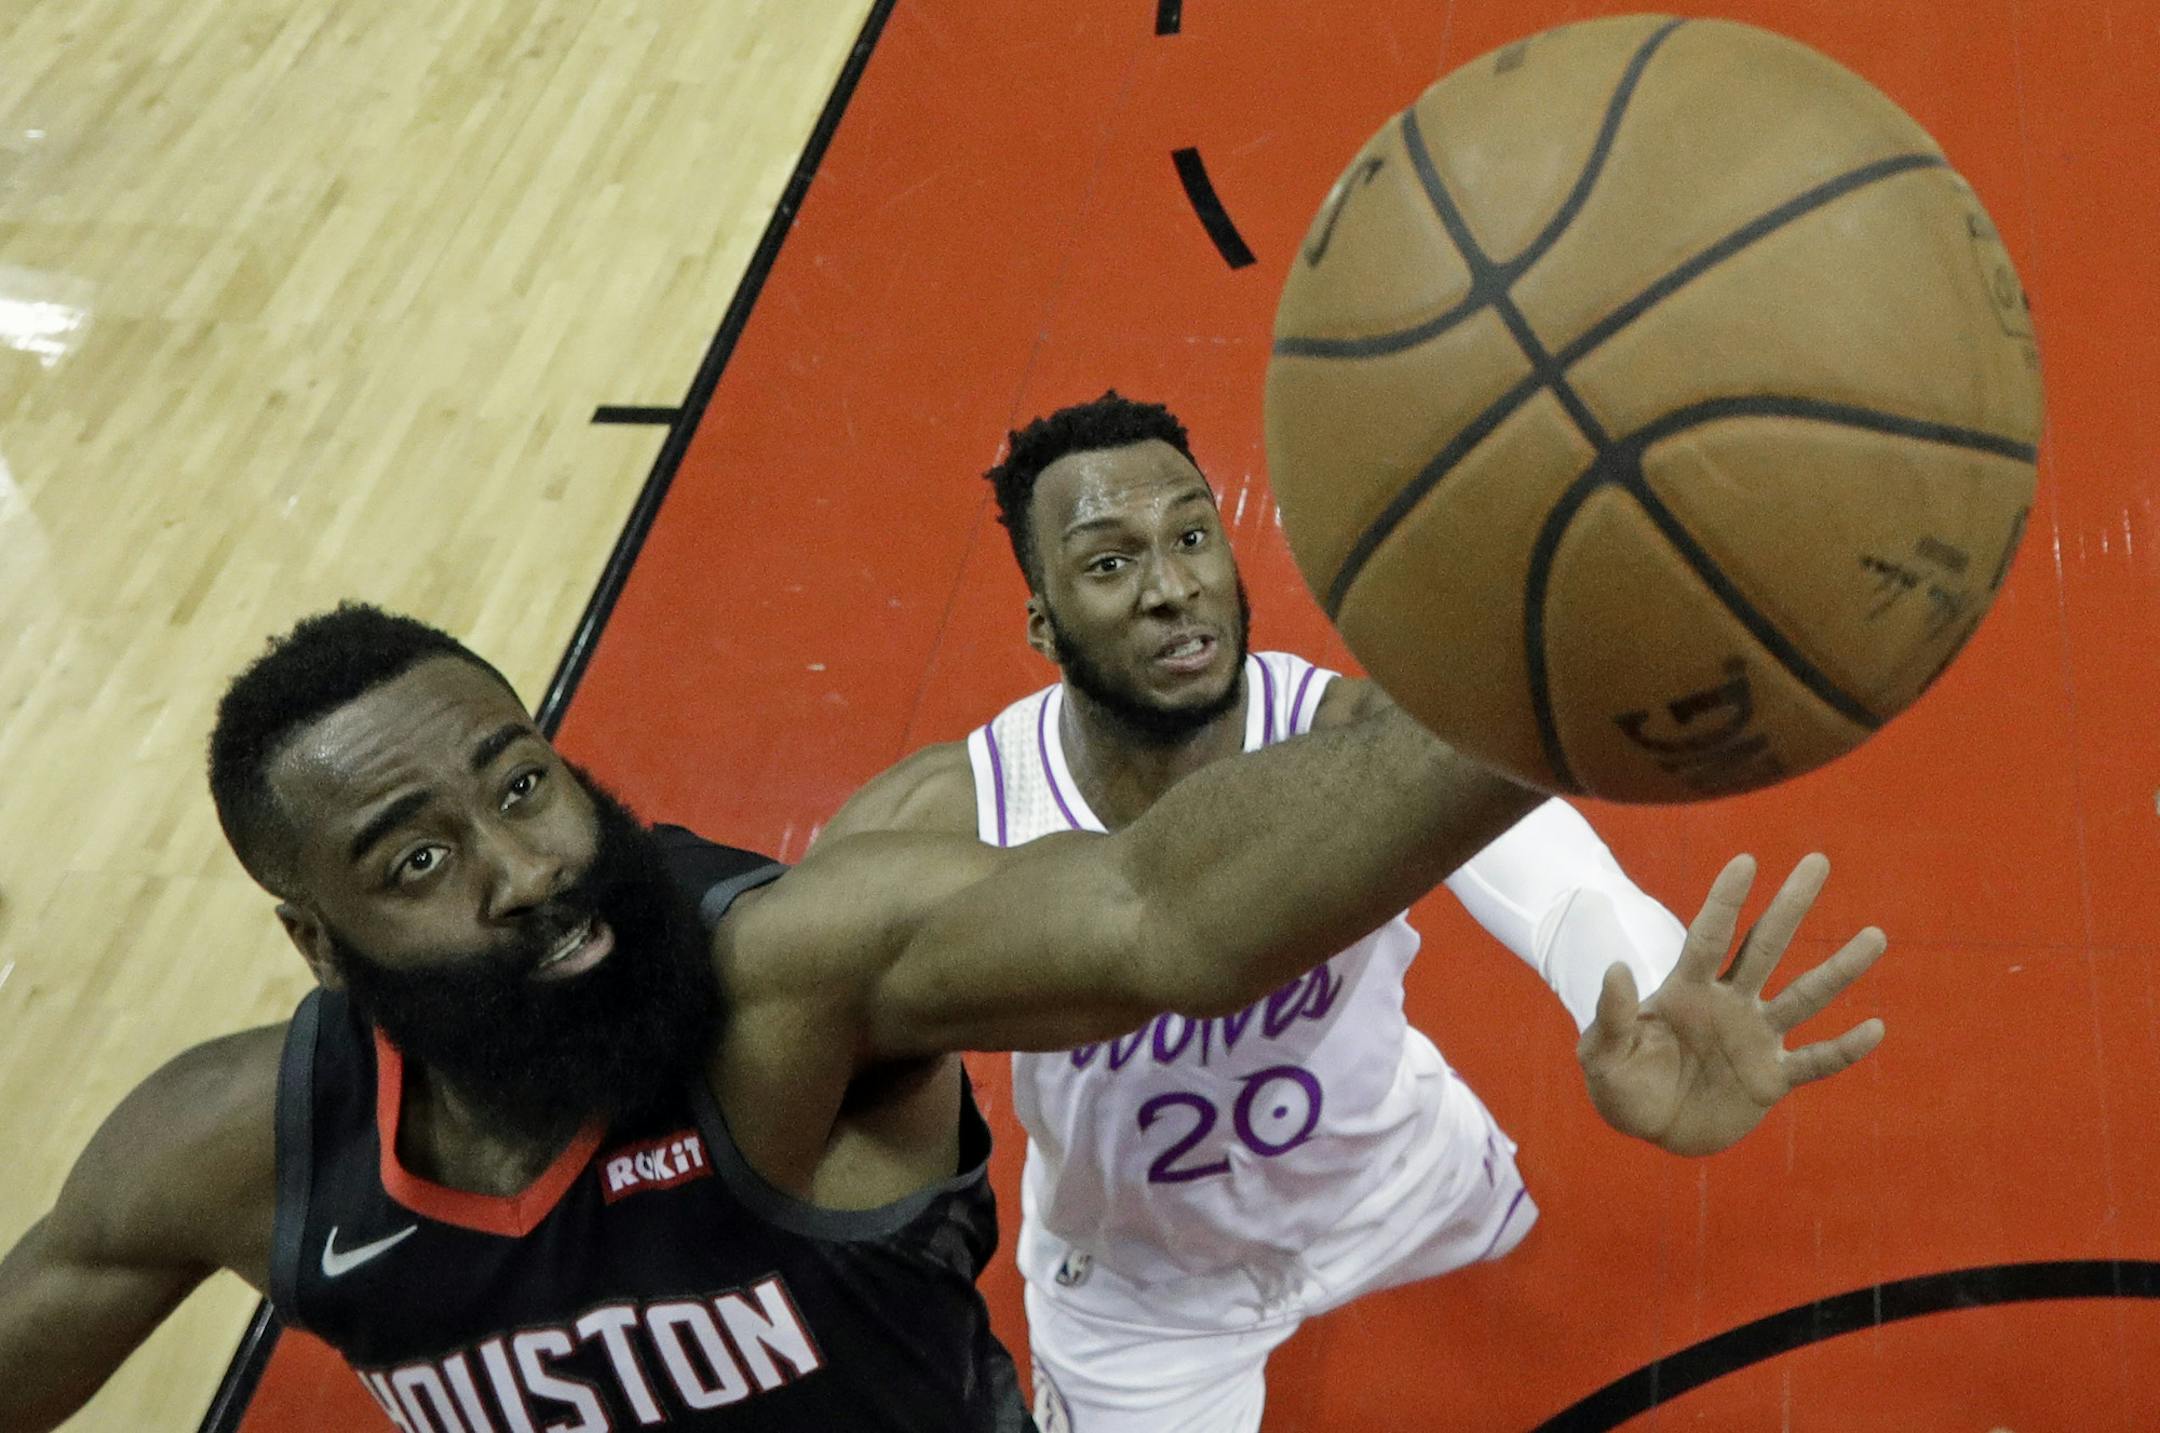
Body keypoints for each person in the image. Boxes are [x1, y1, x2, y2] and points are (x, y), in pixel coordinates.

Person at [0, 599, 1882, 1433]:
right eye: (416, 859)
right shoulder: (230, 1150)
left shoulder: (784, 978)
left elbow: (1165, 910)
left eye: (522, 781)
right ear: (316, 940)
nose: (523, 867)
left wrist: (1566, 651)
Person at [816, 391, 1875, 1433]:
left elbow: (1547, 870)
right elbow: (817, 1054)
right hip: (1148, 1289)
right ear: (1041, 618)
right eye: (1109, 563)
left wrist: (1638, 982)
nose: (1173, 587)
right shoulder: (952, 818)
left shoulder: (1346, 737)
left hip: (1391, 1173)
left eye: (1192, 535)